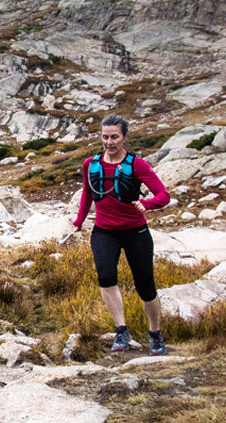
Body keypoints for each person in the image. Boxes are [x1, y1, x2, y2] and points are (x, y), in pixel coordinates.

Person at [69, 114, 171, 354]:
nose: (109, 142)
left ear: (124, 137)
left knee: (145, 286)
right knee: (106, 277)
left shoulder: (137, 165)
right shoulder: (91, 164)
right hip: (104, 231)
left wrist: (147, 204)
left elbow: (163, 196)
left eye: (114, 137)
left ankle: (155, 333)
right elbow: (88, 194)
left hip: (136, 231)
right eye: (105, 137)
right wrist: (79, 221)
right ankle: (121, 330)